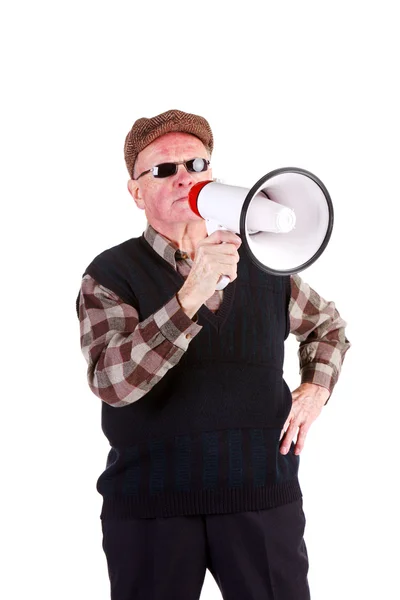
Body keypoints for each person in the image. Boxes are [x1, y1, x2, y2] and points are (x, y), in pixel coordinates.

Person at [76, 109, 351, 600]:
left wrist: (315, 389)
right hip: (150, 509)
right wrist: (188, 298)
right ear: (136, 192)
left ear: (212, 176)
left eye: (196, 163)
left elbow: (327, 327)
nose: (184, 178)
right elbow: (113, 382)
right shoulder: (110, 275)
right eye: (164, 170)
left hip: (262, 499)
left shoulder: (264, 261)